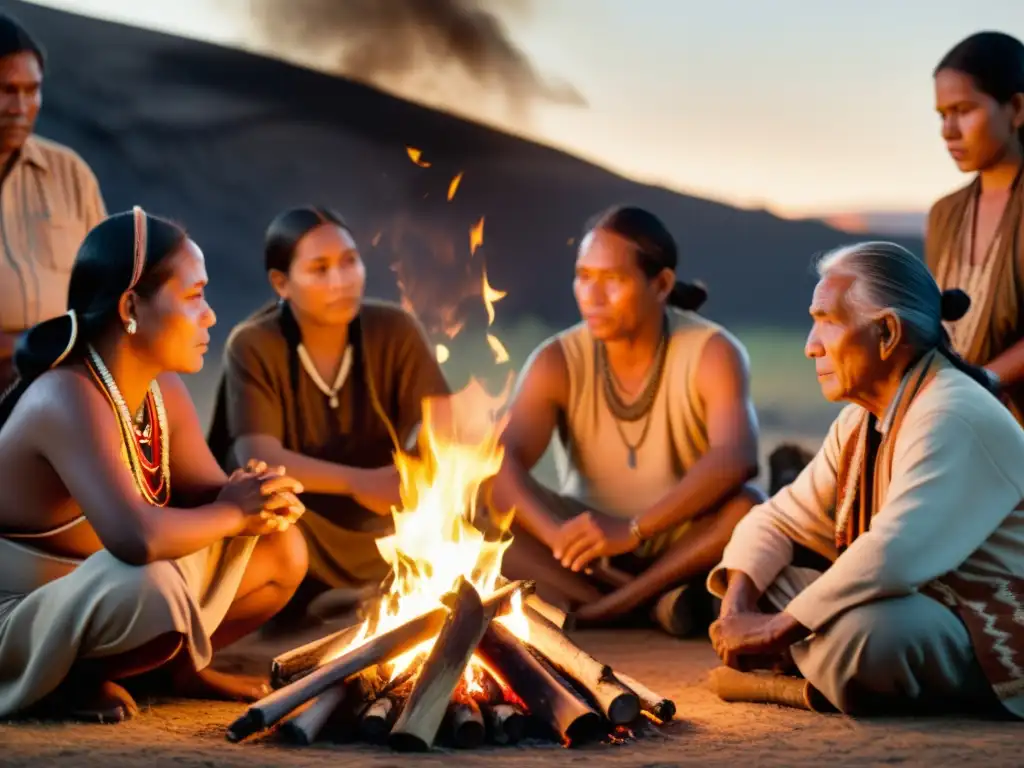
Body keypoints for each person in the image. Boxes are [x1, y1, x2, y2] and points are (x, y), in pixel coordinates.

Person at [0, 208, 308, 723]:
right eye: (193, 297)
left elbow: (209, 496)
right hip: (20, 616)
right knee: (155, 587)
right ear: (130, 307)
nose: (210, 314)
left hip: (103, 596)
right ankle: (64, 681)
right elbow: (137, 540)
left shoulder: (161, 389)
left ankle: (178, 668)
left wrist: (258, 497)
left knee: (281, 547)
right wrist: (235, 511)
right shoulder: (66, 395)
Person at [707, 241, 1024, 718]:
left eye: (827, 320)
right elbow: (775, 519)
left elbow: (893, 554)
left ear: (887, 332)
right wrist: (737, 609)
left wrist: (774, 630)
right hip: (913, 597)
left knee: (868, 638)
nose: (811, 344)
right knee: (772, 583)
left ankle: (802, 674)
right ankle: (817, 663)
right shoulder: (861, 420)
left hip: (986, 613)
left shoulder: (951, 411)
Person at [492, 205, 762, 636]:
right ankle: (655, 602)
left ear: (661, 284)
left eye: (613, 280)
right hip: (586, 552)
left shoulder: (713, 350)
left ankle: (608, 608)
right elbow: (500, 461)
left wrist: (634, 530)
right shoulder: (556, 360)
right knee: (470, 494)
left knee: (748, 507)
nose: (591, 296)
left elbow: (737, 457)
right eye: (583, 276)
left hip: (682, 541)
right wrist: (555, 534)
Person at [208, 206, 450, 618]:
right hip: (306, 519)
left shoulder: (394, 328)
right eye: (320, 269)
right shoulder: (253, 344)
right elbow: (259, 457)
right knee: (274, 519)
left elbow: (444, 423)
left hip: (382, 518)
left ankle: (367, 591)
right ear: (281, 283)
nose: (341, 281)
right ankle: (329, 596)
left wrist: (421, 472)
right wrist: (359, 484)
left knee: (477, 496)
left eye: (349, 262)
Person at [0, 13, 107, 392]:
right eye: (6, 89)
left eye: (32, 90)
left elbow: (108, 287)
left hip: (64, 381)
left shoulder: (70, 173)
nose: (21, 106)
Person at [926, 31, 1024, 425]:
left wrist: (982, 381)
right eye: (942, 114)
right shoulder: (944, 214)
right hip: (958, 422)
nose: (948, 131)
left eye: (963, 110)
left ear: (1016, 108)